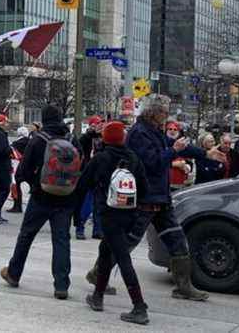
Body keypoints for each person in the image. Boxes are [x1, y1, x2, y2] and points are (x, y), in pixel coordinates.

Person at [88, 94, 218, 302]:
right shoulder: (139, 134)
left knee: (177, 239)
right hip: (145, 198)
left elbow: (178, 146)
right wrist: (173, 151)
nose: (167, 116)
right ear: (153, 113)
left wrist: (205, 153)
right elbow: (152, 163)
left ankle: (184, 286)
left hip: (160, 198)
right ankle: (97, 275)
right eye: (164, 112)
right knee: (127, 242)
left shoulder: (155, 132)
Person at [0, 105, 81, 300]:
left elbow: (23, 172)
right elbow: (80, 167)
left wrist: (34, 183)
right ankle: (61, 285)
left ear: (44, 120)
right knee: (61, 240)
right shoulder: (72, 139)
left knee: (26, 236)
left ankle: (14, 273)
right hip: (66, 198)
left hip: (41, 197)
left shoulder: (38, 140)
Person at [83, 121, 150, 325]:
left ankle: (139, 307)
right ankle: (98, 296)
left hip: (109, 215)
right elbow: (145, 189)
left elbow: (84, 183)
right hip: (129, 214)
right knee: (105, 252)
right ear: (123, 138)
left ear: (105, 138)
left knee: (122, 258)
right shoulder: (133, 158)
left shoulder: (101, 158)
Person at [75, 115, 105, 240]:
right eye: (96, 125)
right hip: (87, 174)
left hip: (100, 175)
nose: (99, 127)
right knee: (86, 205)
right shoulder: (86, 138)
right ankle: (80, 228)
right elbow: (82, 143)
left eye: (100, 125)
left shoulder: (104, 139)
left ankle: (97, 230)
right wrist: (93, 132)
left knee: (99, 205)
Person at [7, 122, 40, 214]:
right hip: (30, 168)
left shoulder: (16, 143)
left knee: (16, 185)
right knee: (33, 187)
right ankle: (36, 206)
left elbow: (11, 153)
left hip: (18, 167)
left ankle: (17, 205)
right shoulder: (31, 141)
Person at [166, 121, 194, 190]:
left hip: (180, 185)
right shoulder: (161, 143)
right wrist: (174, 164)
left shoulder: (184, 145)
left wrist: (186, 167)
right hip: (164, 183)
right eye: (170, 129)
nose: (172, 131)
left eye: (175, 129)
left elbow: (190, 163)